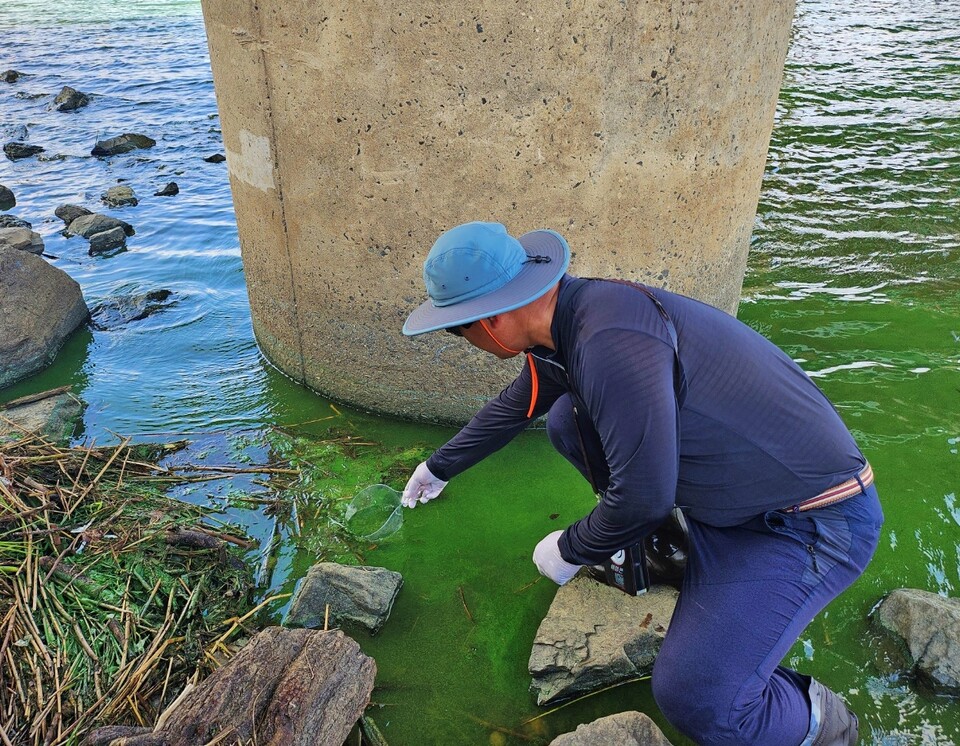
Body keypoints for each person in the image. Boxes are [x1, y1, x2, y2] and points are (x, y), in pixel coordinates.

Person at [400, 221, 883, 746]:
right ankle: (666, 549)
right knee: (566, 420)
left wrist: (571, 547)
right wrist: (439, 467)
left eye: (457, 327)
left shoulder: (610, 342)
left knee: (697, 699)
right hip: (729, 503)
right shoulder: (566, 323)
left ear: (492, 317)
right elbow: (519, 406)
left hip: (806, 521)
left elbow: (646, 493)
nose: (461, 339)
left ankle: (827, 726)